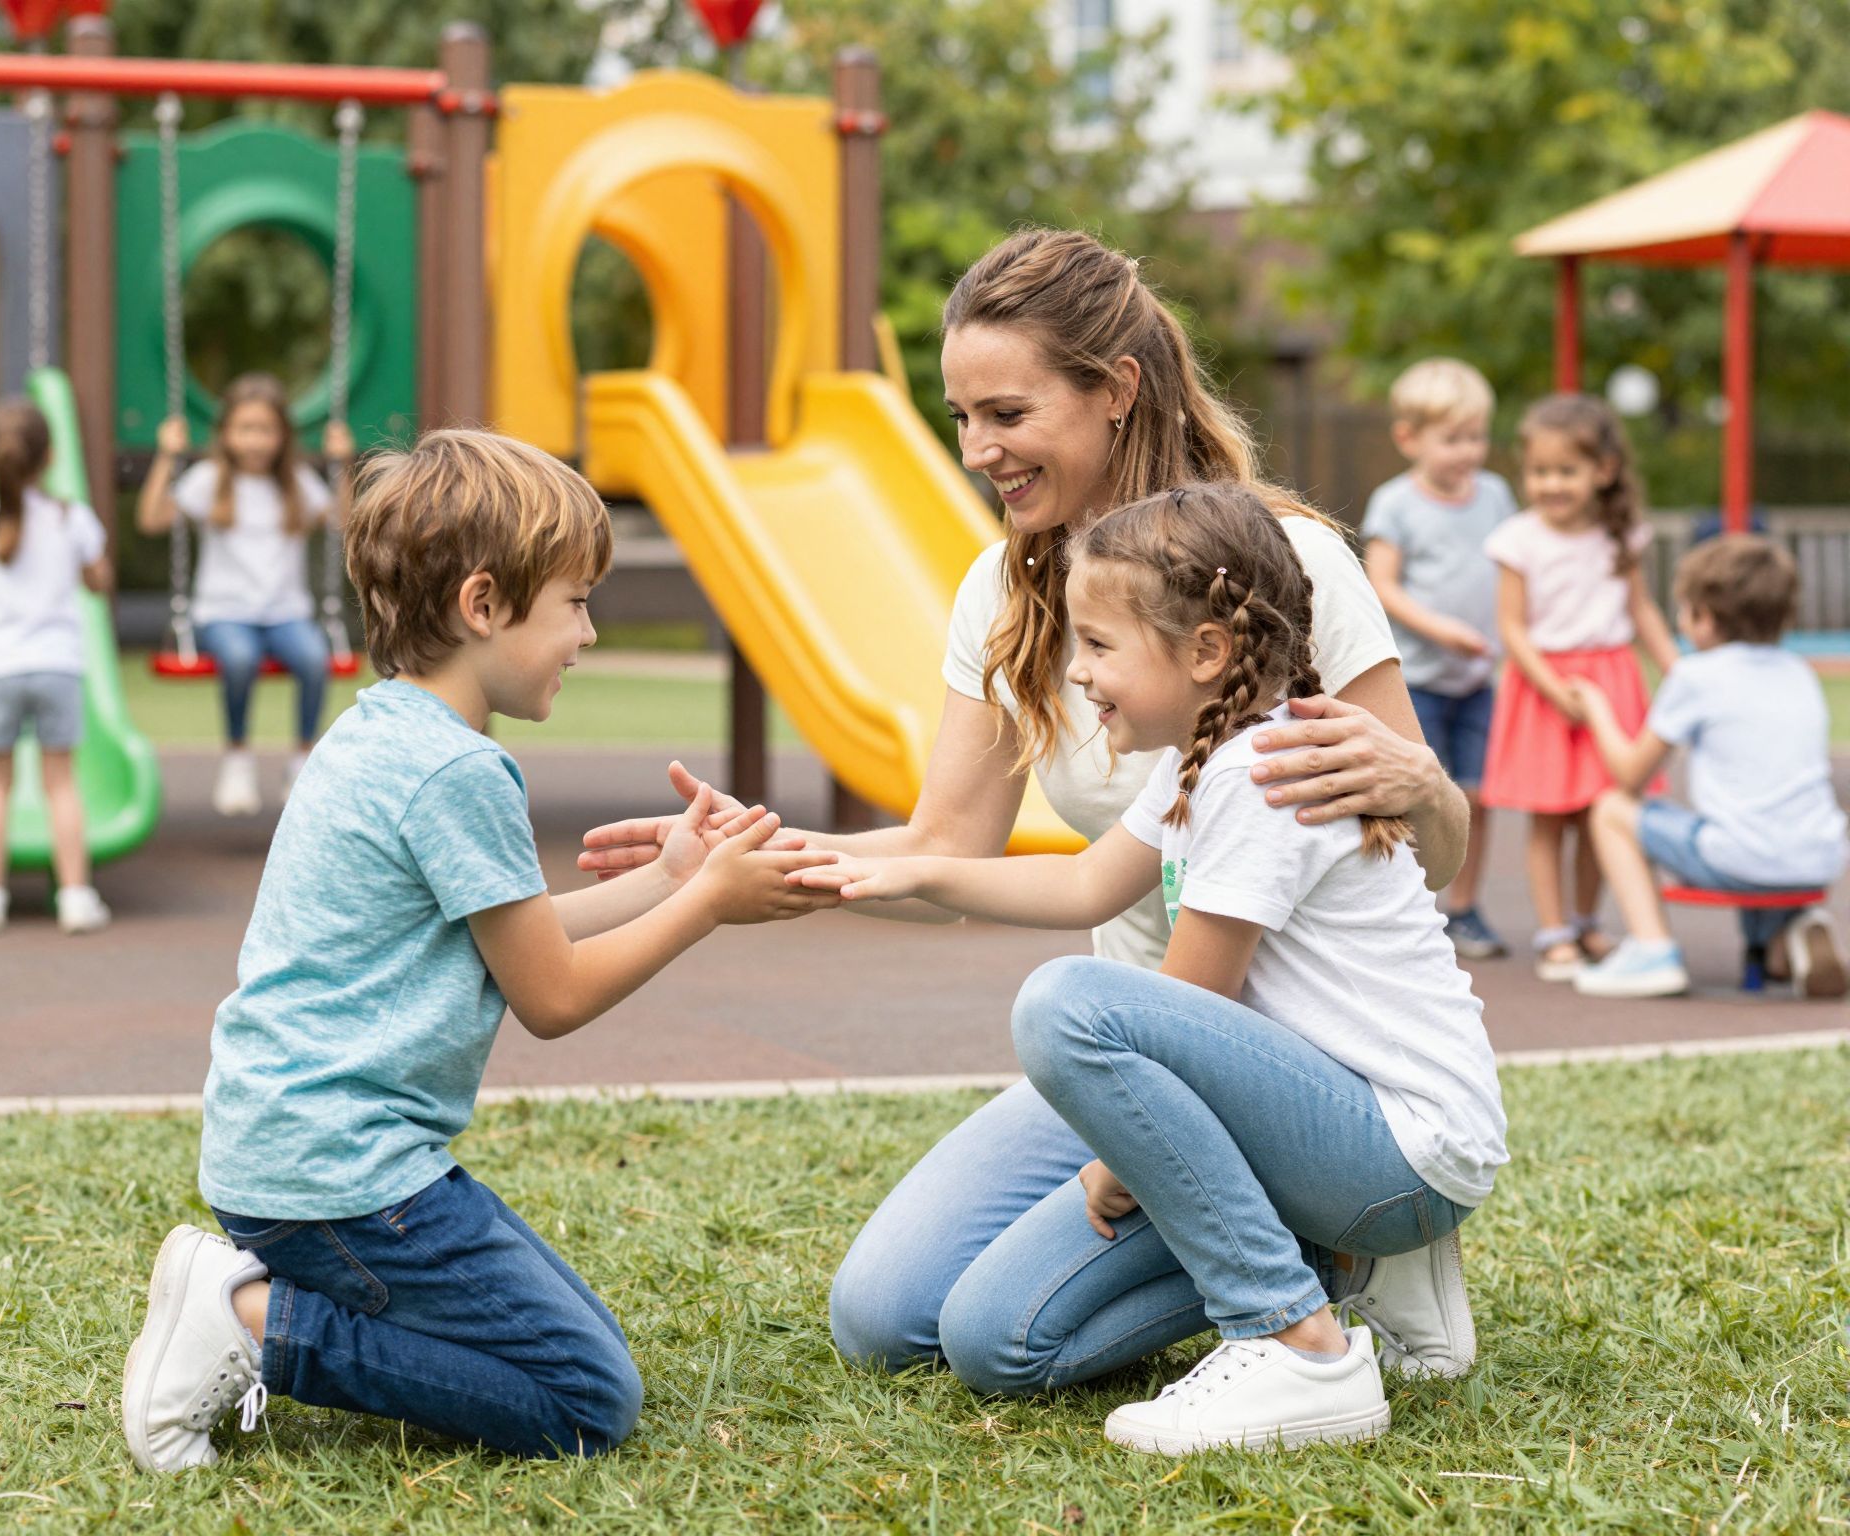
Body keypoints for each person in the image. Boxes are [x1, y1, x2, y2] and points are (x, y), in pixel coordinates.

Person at [577, 227, 1478, 1385]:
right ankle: (1279, 1232)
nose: (975, 450)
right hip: (1132, 1058)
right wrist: (746, 862)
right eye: (960, 418)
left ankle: (1338, 1248)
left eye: (1004, 413)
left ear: (1113, 392)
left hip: (1305, 1068)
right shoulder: (1004, 588)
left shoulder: (1282, 570)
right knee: (882, 1315)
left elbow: (1426, 858)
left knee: (993, 1331)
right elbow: (946, 849)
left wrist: (1428, 786)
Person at [120, 430, 837, 1473]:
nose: (588, 632)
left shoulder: (378, 735)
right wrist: (710, 907)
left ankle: (258, 1292)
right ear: (484, 605)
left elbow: (508, 933)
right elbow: (549, 995)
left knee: (565, 1332)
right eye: (575, 603)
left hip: (286, 1156)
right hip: (345, 1178)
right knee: (585, 1397)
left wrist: (673, 875)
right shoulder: (460, 771)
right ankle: (254, 1323)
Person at [791, 484, 1506, 1453]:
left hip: (1392, 1144)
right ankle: (1337, 1266)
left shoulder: (1264, 775)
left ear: (1205, 652)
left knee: (1067, 1003)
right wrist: (908, 867)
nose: (1076, 674)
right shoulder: (1201, 759)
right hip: (1331, 1137)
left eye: (1096, 645)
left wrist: (1119, 1159)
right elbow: (1087, 884)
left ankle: (1296, 1345)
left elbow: (1181, 1007)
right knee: (991, 1340)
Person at [1569, 535, 1848, 998]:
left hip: (1741, 857)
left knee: (1613, 809)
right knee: (1760, 819)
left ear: (1706, 620)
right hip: (1818, 857)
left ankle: (1652, 948)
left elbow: (1630, 774)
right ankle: (1791, 934)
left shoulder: (1695, 677)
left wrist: (1596, 706)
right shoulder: (1799, 673)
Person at [1479, 394, 1678, 980]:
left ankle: (1589, 923)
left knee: (1601, 813)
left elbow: (1641, 611)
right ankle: (1554, 930)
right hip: (1545, 685)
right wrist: (1553, 685)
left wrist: (1676, 668)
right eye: (1540, 472)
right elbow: (1512, 628)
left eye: (1566, 471)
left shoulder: (1622, 536)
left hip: (1611, 682)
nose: (1551, 484)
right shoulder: (1518, 539)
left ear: (1604, 471)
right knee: (1548, 818)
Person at [138, 373, 354, 817]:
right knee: (238, 659)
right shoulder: (210, 478)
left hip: (286, 613)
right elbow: (153, 519)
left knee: (314, 659)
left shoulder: (294, 480)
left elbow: (344, 523)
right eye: (245, 429)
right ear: (226, 434)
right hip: (224, 613)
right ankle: (237, 756)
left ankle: (300, 760)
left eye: (266, 430)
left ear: (282, 436)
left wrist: (344, 466)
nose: (256, 441)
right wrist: (166, 456)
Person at [0, 400, 114, 936]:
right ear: (51, 457)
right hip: (56, 665)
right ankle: (76, 896)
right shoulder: (70, 517)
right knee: (61, 782)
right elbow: (98, 580)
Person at [1362, 358, 1517, 959]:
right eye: (1452, 439)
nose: (1468, 451)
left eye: (1477, 436)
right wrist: (1442, 630)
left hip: (1479, 680)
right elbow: (1384, 585)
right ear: (1410, 438)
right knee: (1416, 795)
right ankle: (1410, 906)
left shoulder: (1496, 495)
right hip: (1419, 681)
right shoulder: (1396, 503)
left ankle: (1467, 908)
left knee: (1477, 795)